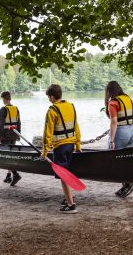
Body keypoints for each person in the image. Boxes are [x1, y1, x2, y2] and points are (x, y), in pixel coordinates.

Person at [42, 84, 82, 214]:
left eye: (49, 97)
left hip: (60, 146)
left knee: (63, 175)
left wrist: (45, 151)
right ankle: (68, 198)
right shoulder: (71, 106)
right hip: (70, 145)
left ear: (52, 97)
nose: (49, 100)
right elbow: (76, 127)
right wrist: (78, 145)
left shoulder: (52, 110)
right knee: (66, 173)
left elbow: (47, 133)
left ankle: (71, 205)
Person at [105, 81, 133, 198]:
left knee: (113, 159)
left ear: (109, 91)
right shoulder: (128, 99)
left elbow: (114, 122)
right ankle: (126, 185)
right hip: (131, 130)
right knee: (125, 158)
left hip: (121, 132)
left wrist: (112, 140)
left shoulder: (113, 103)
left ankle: (128, 184)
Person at [0, 91, 22, 186]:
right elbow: (19, 123)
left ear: (4, 99)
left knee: (6, 156)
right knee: (10, 154)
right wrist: (19, 135)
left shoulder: (3, 109)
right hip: (14, 134)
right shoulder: (16, 109)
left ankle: (15, 174)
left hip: (6, 135)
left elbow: (0, 125)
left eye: (2, 99)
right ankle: (8, 175)